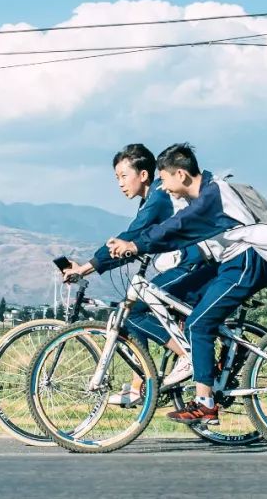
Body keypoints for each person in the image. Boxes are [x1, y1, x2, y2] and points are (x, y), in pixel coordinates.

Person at [108, 143, 267, 426]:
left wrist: (134, 244)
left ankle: (205, 403)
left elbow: (178, 226)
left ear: (180, 175)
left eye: (165, 180)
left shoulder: (211, 197)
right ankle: (224, 353)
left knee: (198, 324)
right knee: (187, 312)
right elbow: (176, 232)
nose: (163, 187)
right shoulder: (200, 197)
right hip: (230, 261)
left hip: (251, 259)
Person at [59, 143, 201, 405]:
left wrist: (86, 267)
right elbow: (140, 240)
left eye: (124, 176)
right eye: (117, 178)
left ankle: (188, 357)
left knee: (135, 311)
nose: (120, 184)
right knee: (134, 309)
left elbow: (132, 236)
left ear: (143, 175)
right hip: (185, 263)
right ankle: (141, 384)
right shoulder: (154, 198)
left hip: (193, 264)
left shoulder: (159, 196)